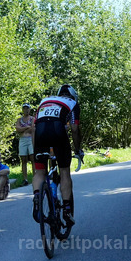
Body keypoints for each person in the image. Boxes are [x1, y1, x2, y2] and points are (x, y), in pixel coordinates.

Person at [31, 84, 82, 227]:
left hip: (40, 136)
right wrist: (78, 150)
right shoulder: (73, 103)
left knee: (40, 171)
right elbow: (74, 128)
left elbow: (34, 128)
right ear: (73, 96)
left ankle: (37, 196)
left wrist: (35, 151)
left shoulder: (44, 101)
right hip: (59, 134)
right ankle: (66, 209)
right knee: (64, 172)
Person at [14, 104, 35, 186]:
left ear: (29, 110)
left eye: (27, 108)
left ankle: (35, 177)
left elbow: (32, 128)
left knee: (33, 158)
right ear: (22, 110)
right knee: (23, 159)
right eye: (24, 108)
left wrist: (23, 128)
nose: (26, 110)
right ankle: (25, 179)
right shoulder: (19, 120)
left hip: (30, 139)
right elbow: (18, 129)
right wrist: (27, 127)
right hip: (22, 140)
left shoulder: (32, 118)